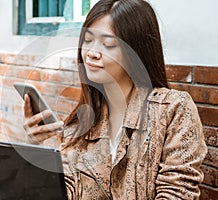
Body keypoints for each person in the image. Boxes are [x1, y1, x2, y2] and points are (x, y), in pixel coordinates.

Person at [23, 0, 207, 199]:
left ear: (137, 51)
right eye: (87, 39)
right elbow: (64, 193)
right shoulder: (81, 123)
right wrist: (36, 151)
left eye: (108, 44)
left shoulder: (173, 109)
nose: (91, 53)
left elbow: (178, 192)